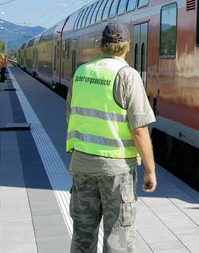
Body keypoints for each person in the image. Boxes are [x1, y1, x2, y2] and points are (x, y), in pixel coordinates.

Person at [66, 22, 156, 253]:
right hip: (117, 170)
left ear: (102, 46)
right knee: (118, 236)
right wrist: (150, 170)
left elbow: (71, 117)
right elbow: (139, 130)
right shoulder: (128, 75)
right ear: (127, 46)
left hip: (82, 166)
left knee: (82, 235)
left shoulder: (81, 73)